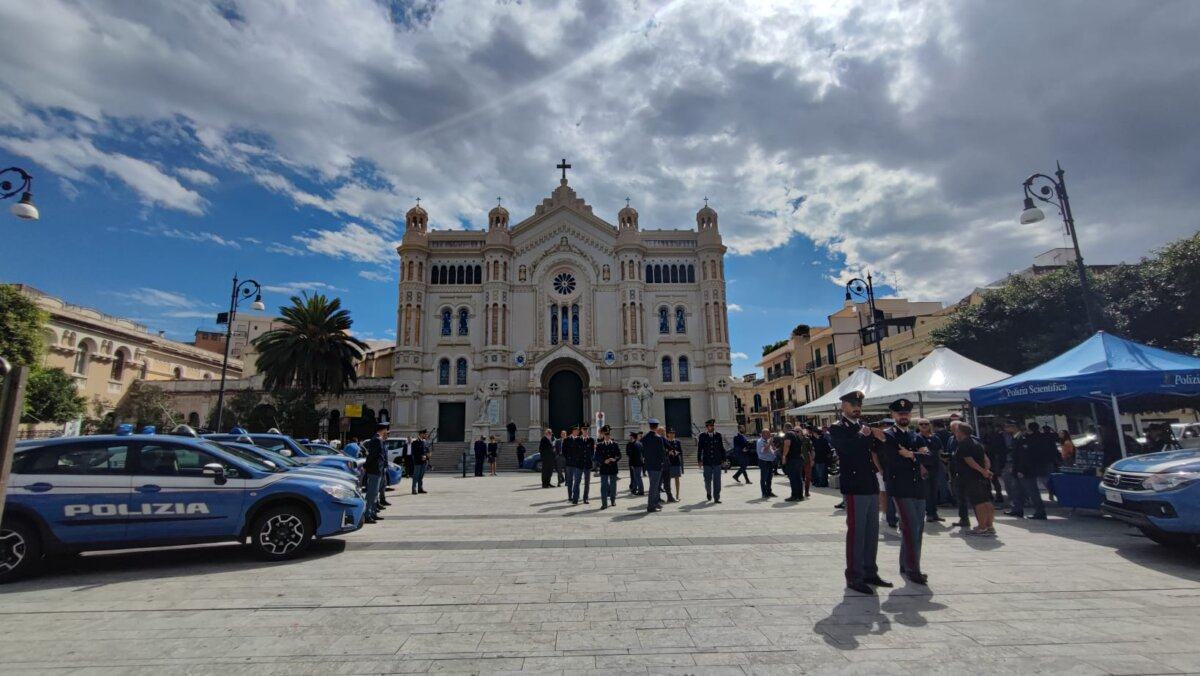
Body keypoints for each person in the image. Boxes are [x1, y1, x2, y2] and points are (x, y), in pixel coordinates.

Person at [828, 390, 892, 595]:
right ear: (843, 406)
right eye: (853, 404)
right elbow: (845, 450)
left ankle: (870, 572)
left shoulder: (865, 427)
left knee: (872, 531)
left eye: (859, 405)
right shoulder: (838, 428)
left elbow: (874, 452)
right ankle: (854, 576)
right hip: (854, 485)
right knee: (857, 532)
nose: (857, 408)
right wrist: (861, 435)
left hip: (870, 483)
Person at [881, 399, 930, 585]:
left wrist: (911, 455)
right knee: (910, 527)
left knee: (918, 527)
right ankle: (913, 569)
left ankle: (905, 563)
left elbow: (930, 458)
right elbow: (894, 461)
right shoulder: (889, 436)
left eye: (907, 414)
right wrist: (917, 456)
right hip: (900, 487)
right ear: (893, 415)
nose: (904, 416)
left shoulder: (915, 436)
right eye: (900, 414)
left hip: (918, 488)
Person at [953, 422, 996, 536]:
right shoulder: (977, 442)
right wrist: (986, 471)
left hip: (971, 478)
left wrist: (982, 471)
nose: (955, 433)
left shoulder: (964, 444)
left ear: (960, 432)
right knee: (987, 501)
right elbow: (986, 459)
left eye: (956, 431)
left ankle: (982, 527)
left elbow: (969, 460)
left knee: (979, 503)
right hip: (982, 477)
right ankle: (989, 526)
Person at [1011, 422, 1052, 520]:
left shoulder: (1026, 439)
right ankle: (1017, 509)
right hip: (1022, 468)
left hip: (1027, 469)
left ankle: (1040, 512)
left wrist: (1021, 469)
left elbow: (1024, 456)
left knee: (1032, 491)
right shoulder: (1033, 437)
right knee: (1017, 490)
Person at [915, 419, 944, 522]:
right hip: (924, 468)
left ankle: (934, 513)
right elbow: (915, 455)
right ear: (918, 426)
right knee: (926, 492)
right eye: (921, 424)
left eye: (926, 424)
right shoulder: (916, 438)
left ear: (930, 425)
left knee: (934, 491)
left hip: (936, 467)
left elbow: (940, 451)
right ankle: (929, 514)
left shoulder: (935, 438)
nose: (924, 426)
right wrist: (921, 467)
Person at [362, 422, 389, 523]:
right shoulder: (376, 440)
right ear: (382, 430)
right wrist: (365, 466)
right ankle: (367, 515)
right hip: (374, 470)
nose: (387, 431)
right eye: (386, 429)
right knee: (371, 493)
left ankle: (372, 513)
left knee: (374, 493)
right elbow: (372, 456)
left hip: (378, 469)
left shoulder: (379, 440)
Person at [697, 419, 726, 503]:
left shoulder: (718, 435)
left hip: (717, 461)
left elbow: (721, 448)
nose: (711, 427)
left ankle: (716, 497)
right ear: (707, 427)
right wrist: (699, 460)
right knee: (707, 480)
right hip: (707, 462)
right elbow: (700, 449)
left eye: (712, 426)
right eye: (710, 426)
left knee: (717, 480)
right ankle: (708, 492)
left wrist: (724, 459)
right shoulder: (702, 436)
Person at [642, 419, 667, 513]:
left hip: (649, 465)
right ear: (657, 427)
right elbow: (662, 452)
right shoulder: (658, 438)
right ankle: (651, 506)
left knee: (654, 485)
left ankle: (655, 503)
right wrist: (663, 463)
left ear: (650, 426)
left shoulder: (645, 438)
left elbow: (642, 450)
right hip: (657, 465)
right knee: (654, 486)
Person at [595, 425, 621, 509]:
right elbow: (596, 457)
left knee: (613, 486)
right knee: (604, 486)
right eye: (605, 435)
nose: (607, 436)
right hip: (604, 468)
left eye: (608, 435)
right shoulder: (599, 445)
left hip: (613, 467)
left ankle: (613, 500)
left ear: (610, 435)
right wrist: (603, 461)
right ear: (603, 435)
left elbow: (619, 455)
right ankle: (604, 503)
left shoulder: (615, 444)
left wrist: (614, 459)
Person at [781, 423, 808, 502]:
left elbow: (787, 445)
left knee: (793, 478)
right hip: (798, 459)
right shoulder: (797, 435)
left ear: (786, 428)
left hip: (792, 459)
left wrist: (784, 456)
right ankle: (800, 495)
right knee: (798, 478)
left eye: (783, 428)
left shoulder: (788, 434)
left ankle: (794, 495)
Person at [564, 425, 585, 504]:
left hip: (578, 463)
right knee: (570, 481)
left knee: (577, 481)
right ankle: (570, 496)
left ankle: (576, 495)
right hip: (569, 463)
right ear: (573, 431)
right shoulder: (567, 439)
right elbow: (564, 451)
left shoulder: (580, 439)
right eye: (576, 431)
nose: (577, 432)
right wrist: (568, 458)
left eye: (578, 431)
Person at [756, 428, 778, 498]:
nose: (770, 435)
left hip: (770, 461)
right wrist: (769, 443)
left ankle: (769, 491)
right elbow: (764, 450)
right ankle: (764, 493)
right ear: (763, 434)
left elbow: (773, 449)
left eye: (769, 433)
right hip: (763, 461)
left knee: (769, 478)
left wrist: (773, 446)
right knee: (764, 478)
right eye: (768, 433)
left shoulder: (768, 440)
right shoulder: (760, 441)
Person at [410, 429, 430, 494]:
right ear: (421, 434)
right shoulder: (415, 442)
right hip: (418, 462)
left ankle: (420, 488)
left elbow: (426, 450)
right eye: (425, 434)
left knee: (421, 476)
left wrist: (427, 456)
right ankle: (414, 489)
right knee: (416, 476)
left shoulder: (424, 442)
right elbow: (414, 453)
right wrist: (421, 456)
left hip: (424, 462)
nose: (426, 435)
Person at [666, 428, 683, 500]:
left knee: (677, 479)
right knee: (668, 480)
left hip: (676, 462)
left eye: (673, 433)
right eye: (670, 433)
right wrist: (668, 453)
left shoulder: (677, 442)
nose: (672, 435)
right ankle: (669, 495)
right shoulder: (665, 442)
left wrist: (677, 452)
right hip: (668, 463)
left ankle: (677, 495)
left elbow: (681, 451)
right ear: (668, 434)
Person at [626, 431, 645, 496]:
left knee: (637, 477)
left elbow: (631, 455)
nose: (629, 437)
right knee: (636, 476)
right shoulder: (640, 443)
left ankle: (641, 491)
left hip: (635, 463)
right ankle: (634, 489)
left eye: (630, 436)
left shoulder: (633, 444)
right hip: (639, 463)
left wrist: (631, 464)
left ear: (632, 437)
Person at [581, 426, 595, 504]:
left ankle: (585, 498)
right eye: (584, 430)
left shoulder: (591, 440)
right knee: (576, 481)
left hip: (587, 464)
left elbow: (592, 452)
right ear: (582, 430)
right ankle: (575, 497)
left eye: (586, 430)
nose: (585, 431)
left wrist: (590, 459)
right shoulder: (578, 439)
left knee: (587, 482)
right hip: (579, 464)